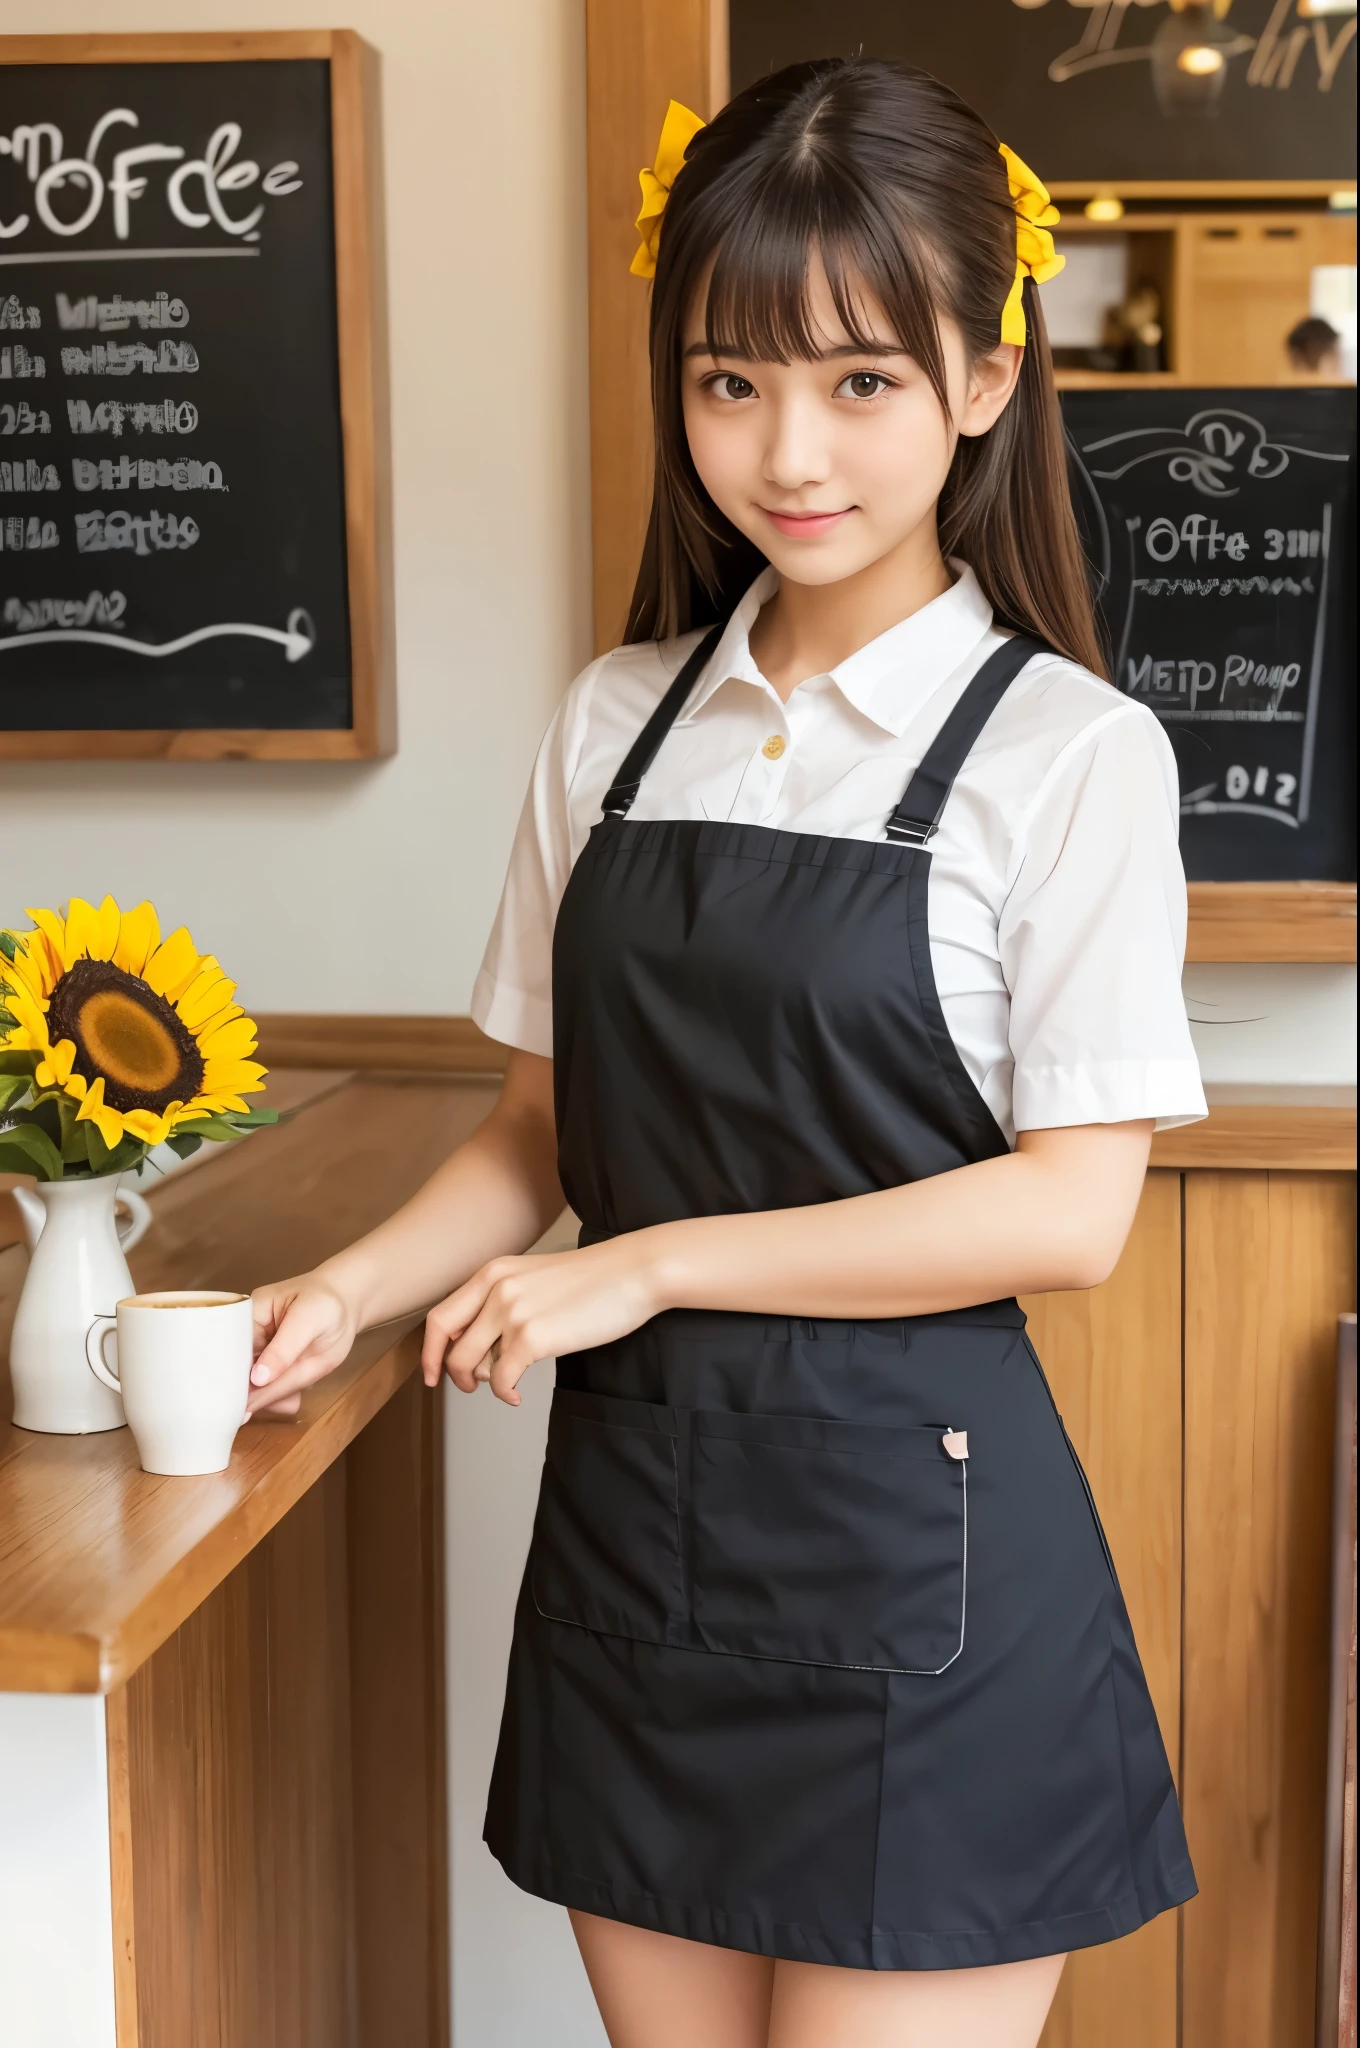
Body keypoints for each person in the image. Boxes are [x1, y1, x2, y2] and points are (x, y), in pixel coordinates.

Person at [249, 59, 1205, 2048]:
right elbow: (535, 1136)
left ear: (980, 376)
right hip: (634, 1559)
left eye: (859, 378)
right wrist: (339, 1289)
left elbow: (1073, 1208)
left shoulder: (1067, 758)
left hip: (921, 1583)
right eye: (725, 379)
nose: (786, 448)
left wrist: (653, 1259)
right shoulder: (609, 723)